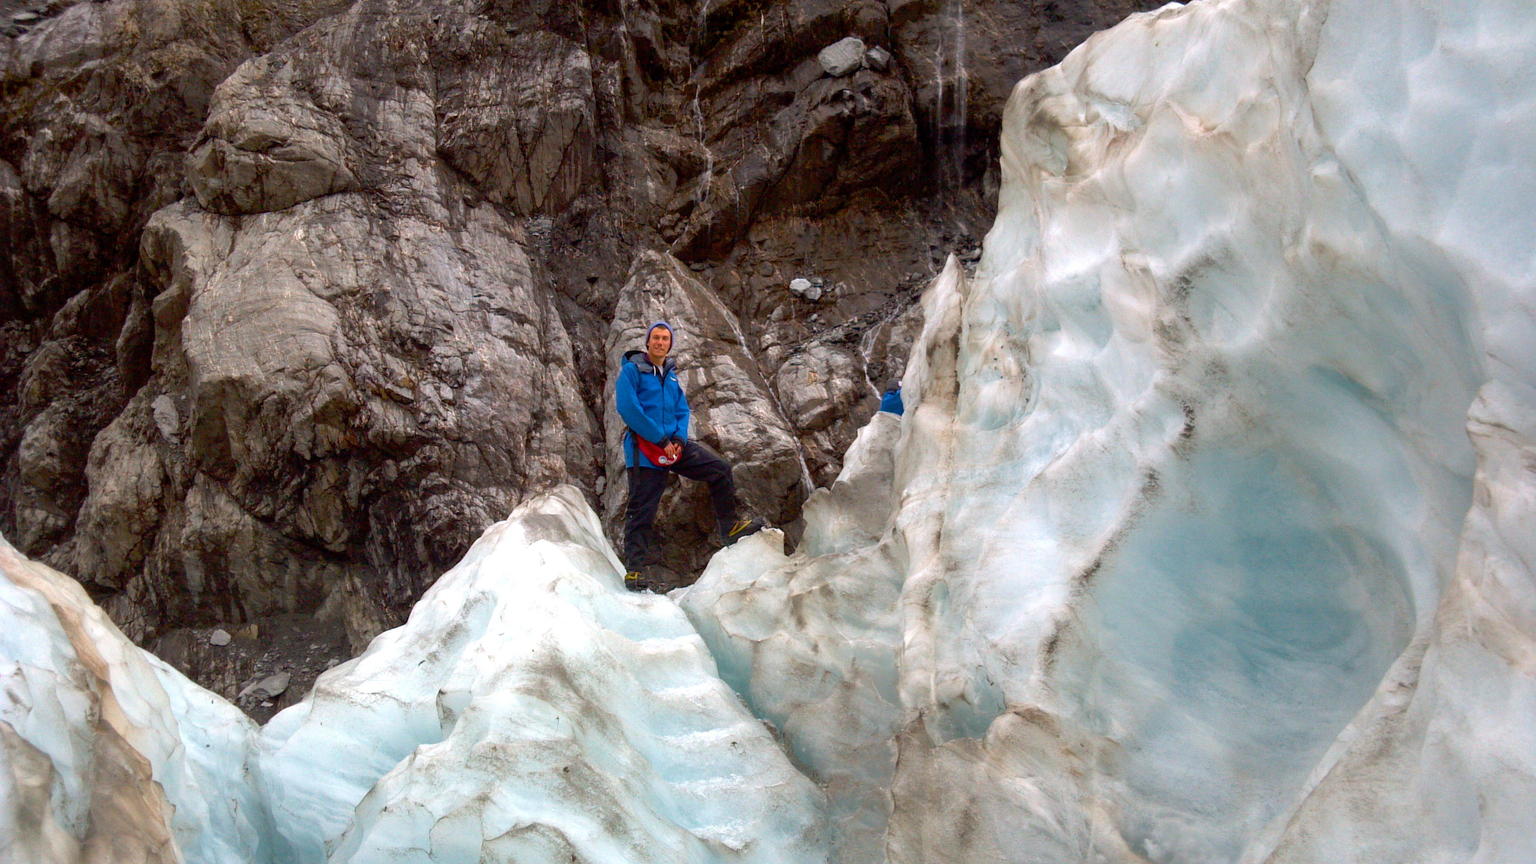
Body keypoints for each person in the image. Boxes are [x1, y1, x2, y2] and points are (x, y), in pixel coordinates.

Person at [616, 321, 762, 591]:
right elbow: (628, 408)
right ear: (647, 343)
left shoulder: (670, 376)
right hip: (645, 450)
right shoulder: (632, 371)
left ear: (670, 344)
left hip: (674, 446)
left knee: (719, 470)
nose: (660, 342)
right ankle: (635, 570)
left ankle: (729, 528)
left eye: (665, 339)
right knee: (642, 509)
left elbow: (682, 410)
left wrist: (680, 439)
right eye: (656, 338)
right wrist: (660, 438)